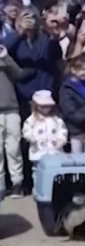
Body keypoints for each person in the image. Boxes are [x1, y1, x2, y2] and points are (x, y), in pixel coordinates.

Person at [59, 55, 85, 155]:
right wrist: (84, 119)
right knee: (76, 155)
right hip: (76, 129)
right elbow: (68, 109)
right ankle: (77, 172)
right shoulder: (66, 88)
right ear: (73, 70)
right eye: (82, 70)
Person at [0, 41, 24, 199]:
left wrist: (5, 57)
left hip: (11, 109)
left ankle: (17, 184)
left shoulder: (5, 57)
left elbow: (19, 75)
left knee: (14, 149)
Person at [22, 90, 67, 171]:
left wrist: (61, 140)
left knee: (55, 172)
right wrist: (33, 139)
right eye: (42, 106)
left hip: (55, 152)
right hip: (38, 154)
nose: (45, 108)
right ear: (36, 105)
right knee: (37, 172)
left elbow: (63, 130)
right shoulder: (31, 120)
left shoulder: (56, 119)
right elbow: (26, 132)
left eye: (48, 106)